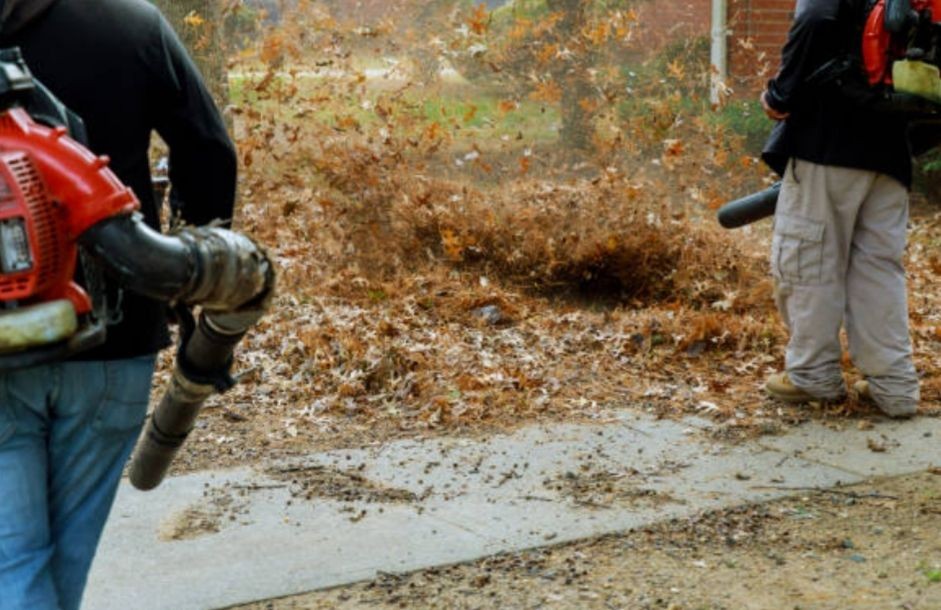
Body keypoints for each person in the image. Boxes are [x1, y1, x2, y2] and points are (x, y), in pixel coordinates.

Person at [0, 1, 237, 609]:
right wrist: (192, 288)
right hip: (119, 336)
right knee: (58, 561)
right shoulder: (131, 24)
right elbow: (210, 151)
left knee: (15, 562)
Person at [759, 0, 919, 418]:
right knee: (879, 268)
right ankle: (895, 386)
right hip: (891, 152)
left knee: (808, 258)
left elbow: (815, 16)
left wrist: (780, 93)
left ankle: (811, 375)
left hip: (827, 145)